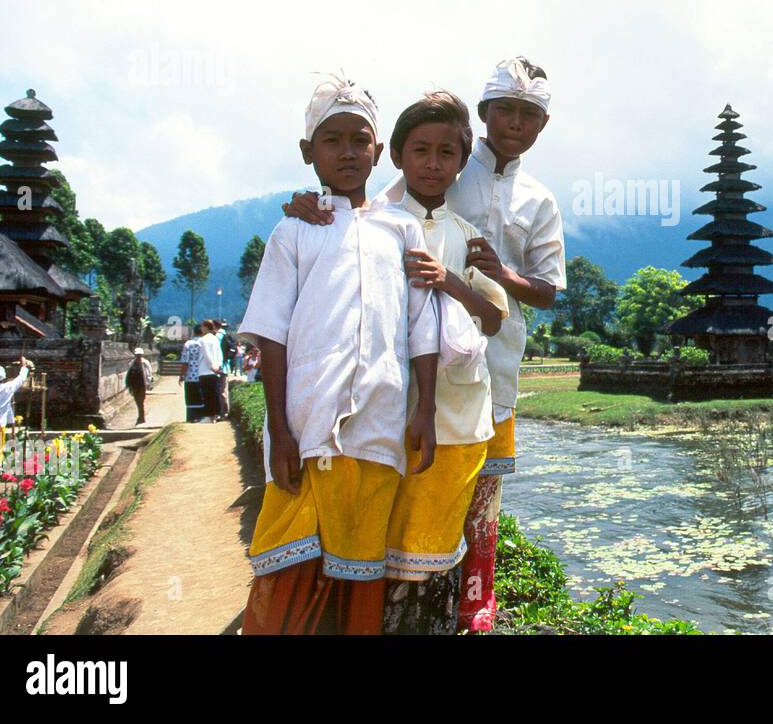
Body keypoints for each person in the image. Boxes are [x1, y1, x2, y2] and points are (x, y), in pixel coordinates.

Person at [284, 56, 566, 631]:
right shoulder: (443, 170)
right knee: (409, 475)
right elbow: (360, 207)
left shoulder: (539, 200)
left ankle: (477, 596)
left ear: (542, 126)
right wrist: (310, 203)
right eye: (505, 110)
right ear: (483, 116)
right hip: (406, 366)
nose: (515, 123)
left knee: (479, 487)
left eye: (529, 114)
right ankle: (389, 592)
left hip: (494, 361)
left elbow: (548, 290)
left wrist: (503, 275)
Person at [237, 74, 440, 635]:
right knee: (289, 562)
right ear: (309, 152)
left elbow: (423, 328)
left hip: (380, 423)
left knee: (361, 568)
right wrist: (278, 428)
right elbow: (272, 334)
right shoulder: (294, 231)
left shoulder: (402, 230)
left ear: (379, 152)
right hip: (308, 422)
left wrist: (423, 411)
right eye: (333, 140)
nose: (348, 151)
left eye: (360, 139)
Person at [380, 93, 510, 634]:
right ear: (397, 156)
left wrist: (449, 281)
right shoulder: (374, 226)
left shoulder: (464, 237)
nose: (432, 164)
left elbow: (494, 318)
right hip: (388, 407)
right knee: (387, 536)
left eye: (445, 153)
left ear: (460, 162)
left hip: (458, 410)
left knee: (438, 543)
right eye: (420, 150)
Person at [197, 318, 225, 422]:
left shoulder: (203, 340)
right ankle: (215, 415)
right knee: (214, 393)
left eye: (202, 326)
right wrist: (218, 366)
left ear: (205, 327)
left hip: (205, 370)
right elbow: (219, 354)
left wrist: (211, 365)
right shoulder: (215, 339)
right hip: (215, 371)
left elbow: (206, 354)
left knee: (207, 394)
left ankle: (208, 415)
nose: (201, 328)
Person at [178, 324, 206, 422]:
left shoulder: (188, 344)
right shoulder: (204, 343)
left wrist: (181, 375)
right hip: (203, 374)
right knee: (201, 396)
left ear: (193, 332)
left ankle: (191, 417)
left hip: (190, 376)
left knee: (191, 397)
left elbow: (185, 362)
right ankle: (201, 416)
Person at [125, 348, 153, 426]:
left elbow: (149, 373)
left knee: (140, 401)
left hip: (142, 385)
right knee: (138, 401)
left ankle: (141, 417)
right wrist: (128, 384)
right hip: (134, 385)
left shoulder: (145, 363)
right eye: (137, 355)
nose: (138, 356)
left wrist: (149, 383)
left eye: (139, 355)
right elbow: (129, 374)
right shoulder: (132, 363)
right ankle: (140, 417)